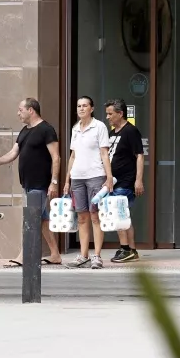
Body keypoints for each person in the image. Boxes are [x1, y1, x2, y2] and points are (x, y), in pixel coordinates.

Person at [0, 98, 62, 266]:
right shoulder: (25, 130)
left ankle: (23, 255)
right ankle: (55, 254)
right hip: (27, 183)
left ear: (31, 110)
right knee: (43, 220)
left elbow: (56, 157)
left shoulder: (46, 129)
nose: (18, 113)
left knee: (30, 219)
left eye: (20, 110)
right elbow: (13, 153)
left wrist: (53, 182)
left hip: (40, 183)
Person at [64, 95, 112, 269]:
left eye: (85, 106)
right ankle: (83, 255)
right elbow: (73, 155)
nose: (81, 109)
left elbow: (104, 153)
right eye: (79, 106)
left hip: (95, 176)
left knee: (95, 216)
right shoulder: (76, 129)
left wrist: (108, 177)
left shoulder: (99, 127)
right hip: (77, 177)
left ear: (92, 108)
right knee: (82, 217)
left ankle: (97, 256)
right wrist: (67, 180)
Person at [104, 99, 145, 263]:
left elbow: (140, 156)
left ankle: (125, 248)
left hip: (125, 181)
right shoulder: (112, 132)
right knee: (123, 215)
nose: (108, 117)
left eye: (110, 114)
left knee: (118, 214)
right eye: (107, 114)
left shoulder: (131, 131)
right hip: (113, 182)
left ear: (120, 113)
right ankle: (131, 249)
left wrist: (138, 180)